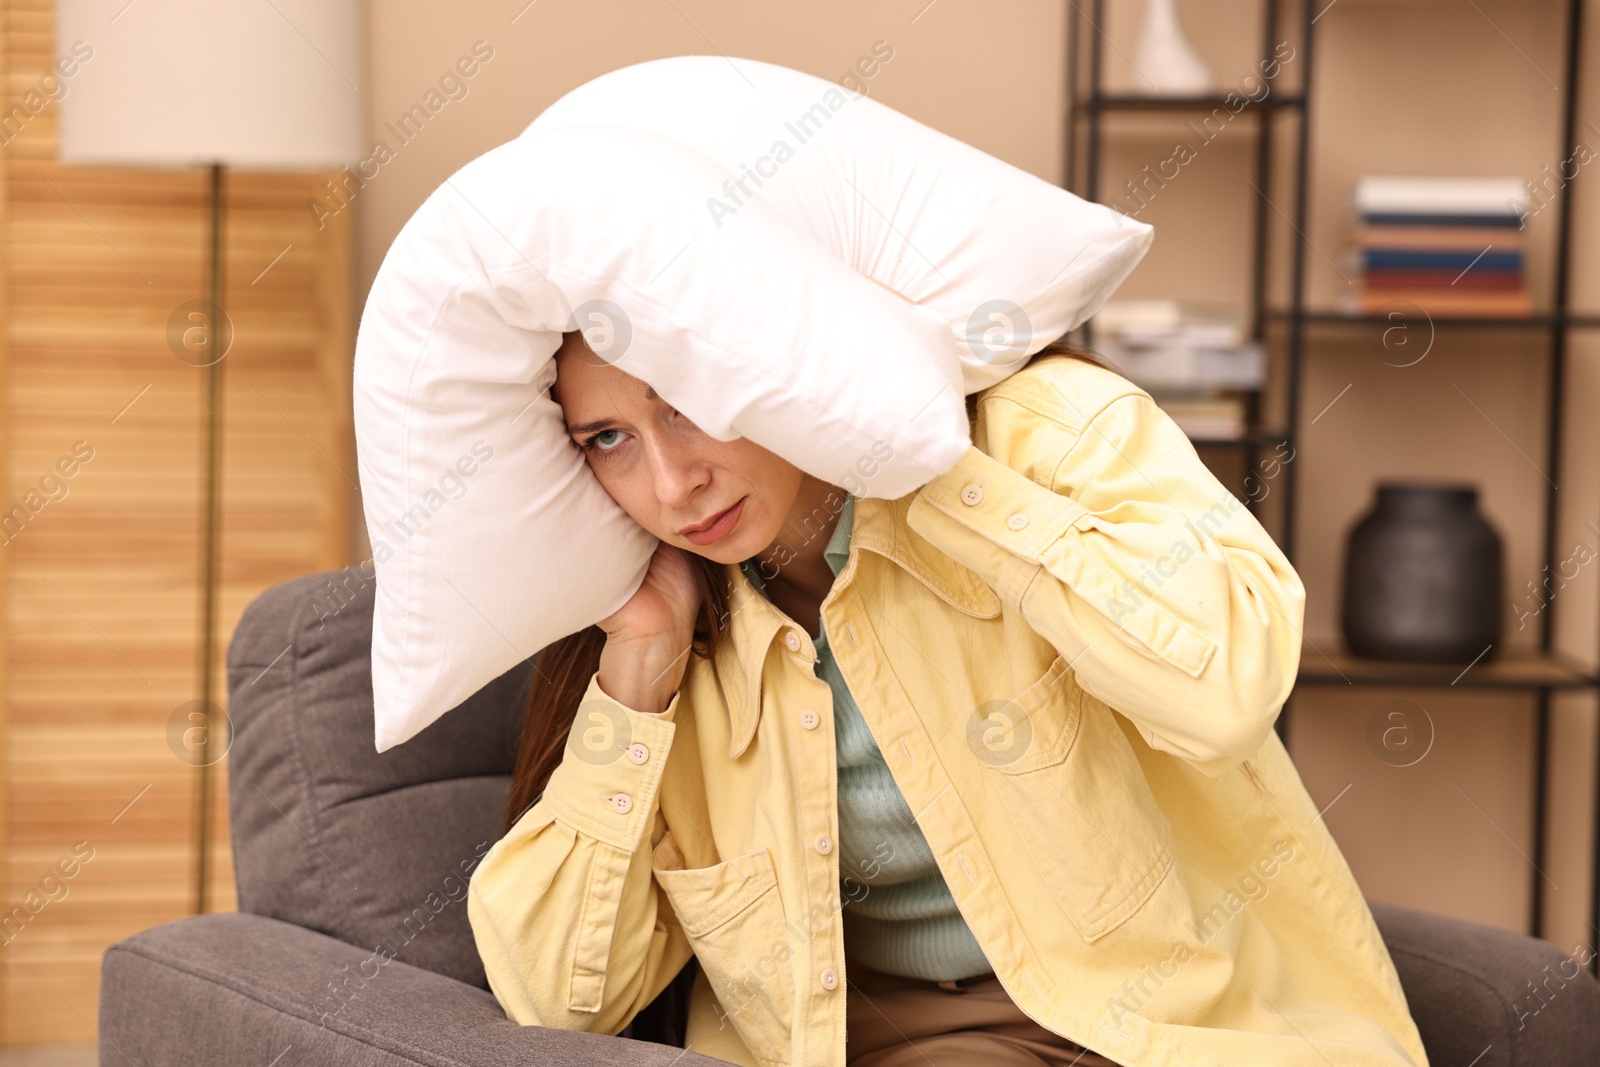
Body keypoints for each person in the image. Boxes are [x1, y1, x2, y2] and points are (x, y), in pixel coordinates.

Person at [466, 328, 1429, 1067]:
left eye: (688, 403)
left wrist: (931, 466)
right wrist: (636, 672)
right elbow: (558, 1001)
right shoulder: (670, 645)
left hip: (1185, 1025)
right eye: (610, 439)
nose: (676, 482)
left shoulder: (1043, 427)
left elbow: (1226, 687)